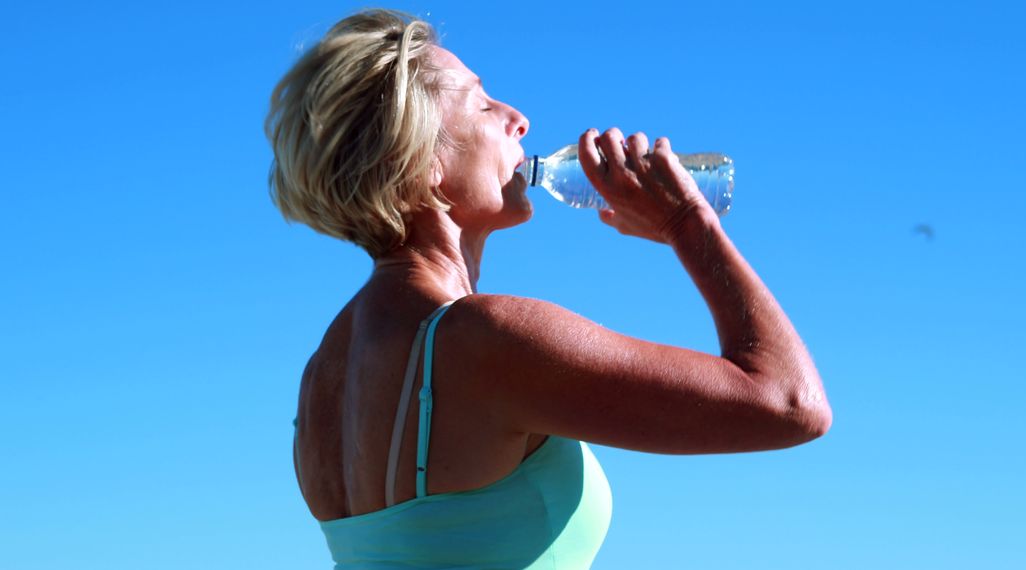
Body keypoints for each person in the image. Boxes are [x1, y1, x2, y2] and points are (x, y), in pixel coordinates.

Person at [266, 8, 832, 569]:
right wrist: (688, 224)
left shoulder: (323, 374)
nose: (519, 119)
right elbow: (790, 403)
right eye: (482, 104)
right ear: (419, 162)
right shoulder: (483, 339)